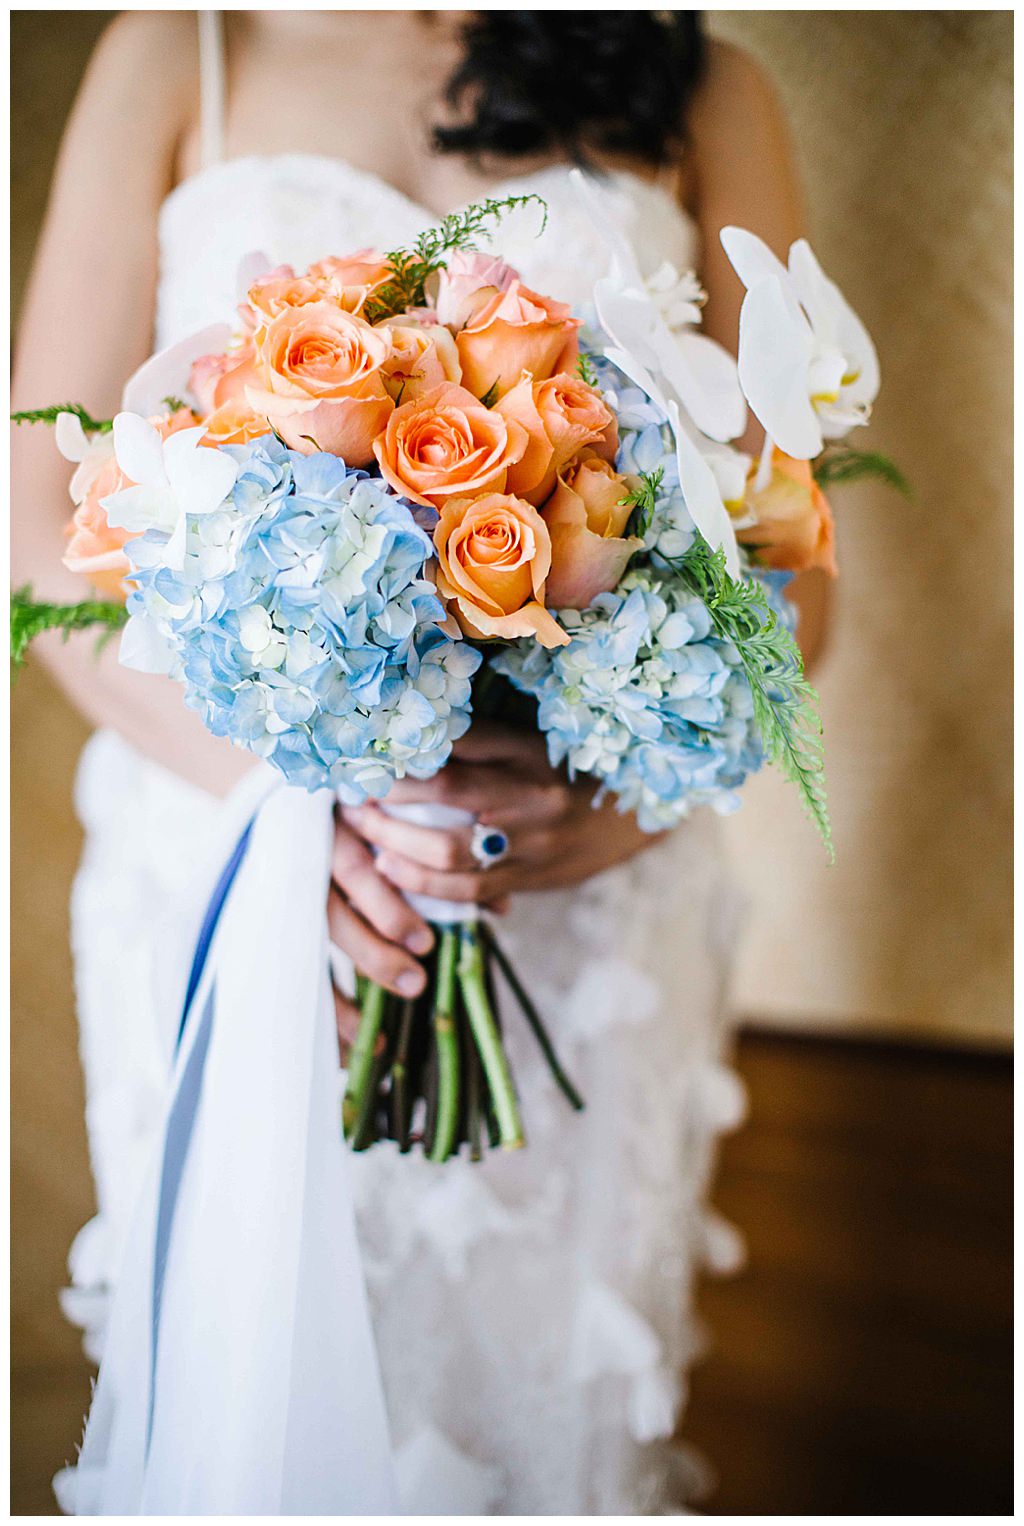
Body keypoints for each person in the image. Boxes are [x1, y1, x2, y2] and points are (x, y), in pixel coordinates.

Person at [12, 11, 828, 1512]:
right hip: (231, 863)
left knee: (539, 1411)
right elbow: (31, 523)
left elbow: (794, 564)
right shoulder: (177, 50)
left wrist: (601, 806)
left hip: (577, 903)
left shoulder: (707, 86)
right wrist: (290, 813)